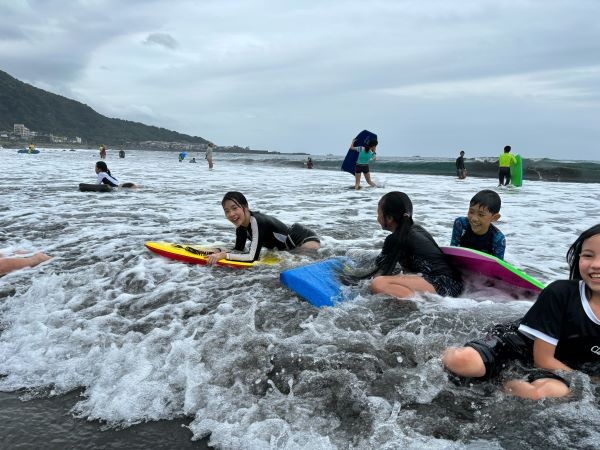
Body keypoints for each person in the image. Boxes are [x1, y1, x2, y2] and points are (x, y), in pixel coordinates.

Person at [442, 223, 600, 400]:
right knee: (464, 362)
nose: (595, 265)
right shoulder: (561, 293)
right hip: (519, 347)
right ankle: (440, 354)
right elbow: (543, 359)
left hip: (563, 365)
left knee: (546, 393)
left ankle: (502, 385)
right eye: (588, 255)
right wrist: (591, 381)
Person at [364, 191, 463, 299]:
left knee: (378, 283)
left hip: (444, 285)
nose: (377, 217)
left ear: (389, 218)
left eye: (378, 213)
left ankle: (419, 305)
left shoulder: (394, 239)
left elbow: (377, 269)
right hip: (454, 285)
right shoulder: (416, 229)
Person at [206, 191, 320, 264]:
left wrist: (224, 255)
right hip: (290, 246)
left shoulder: (255, 221)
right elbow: (239, 250)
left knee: (305, 264)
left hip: (304, 240)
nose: (231, 214)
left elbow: (252, 257)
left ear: (245, 207)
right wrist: (220, 250)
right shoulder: (241, 227)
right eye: (227, 211)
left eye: (235, 208)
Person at [450, 189, 505, 259]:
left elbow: (498, 266)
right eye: (471, 212)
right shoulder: (461, 224)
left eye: (481, 215)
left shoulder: (498, 239)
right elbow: (452, 251)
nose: (474, 219)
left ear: (494, 217)